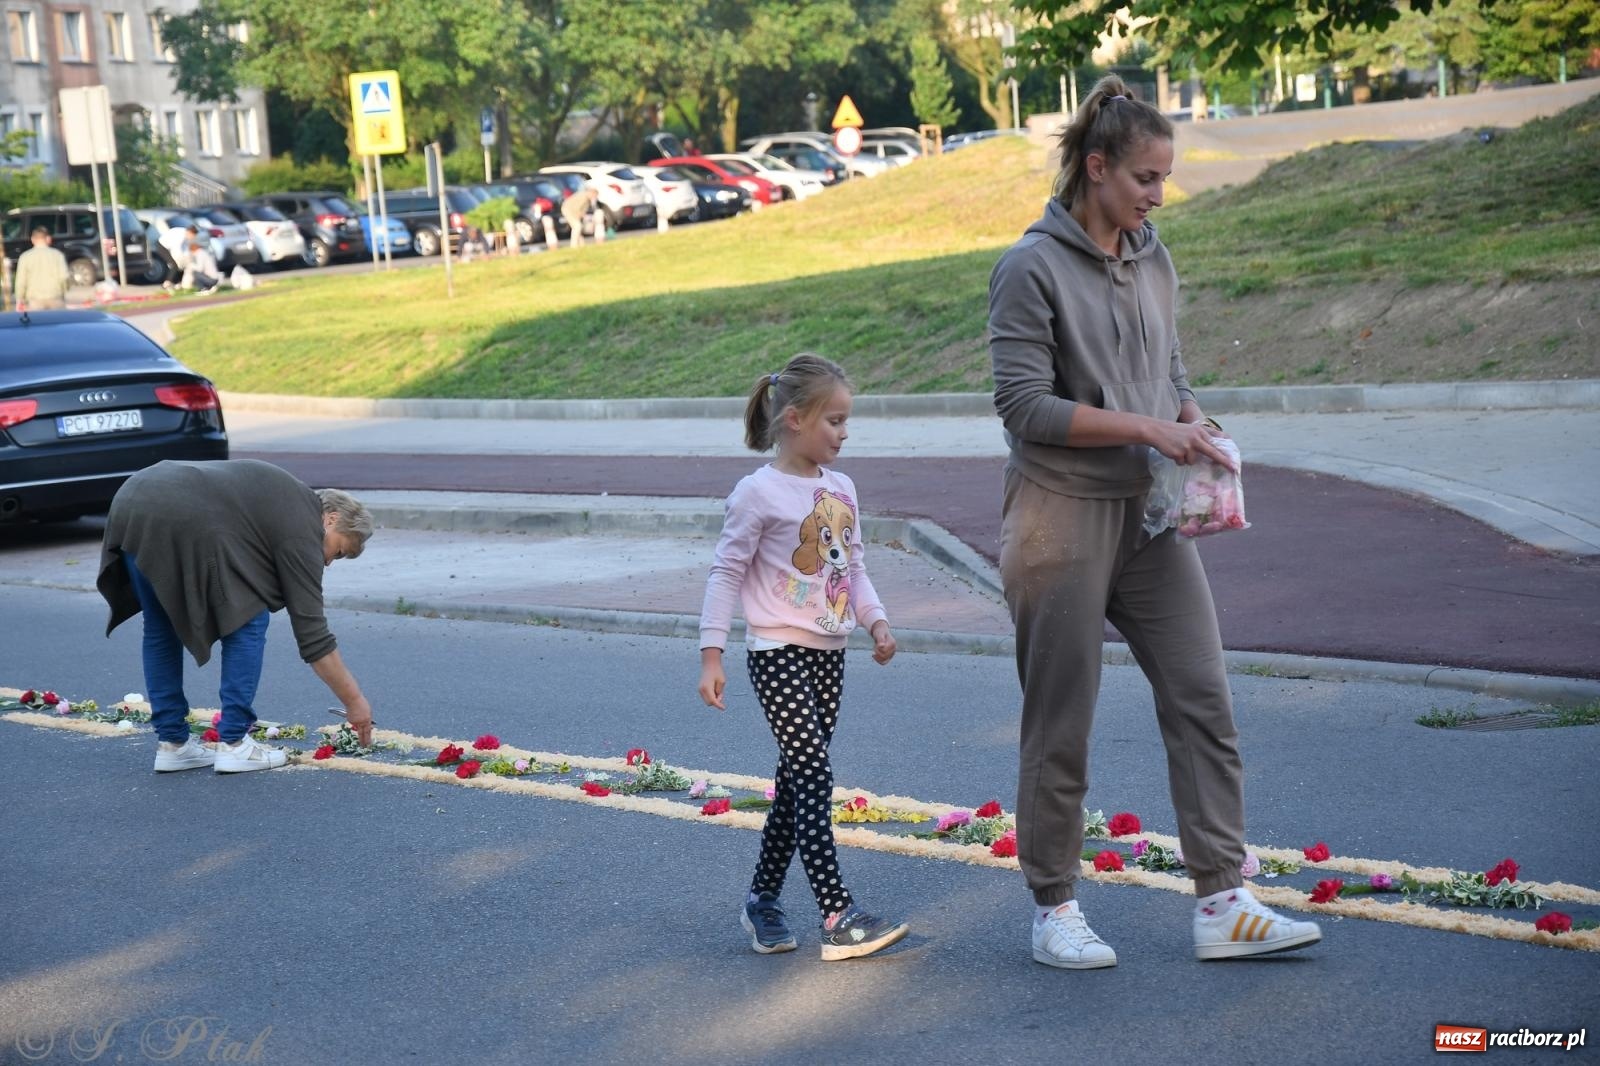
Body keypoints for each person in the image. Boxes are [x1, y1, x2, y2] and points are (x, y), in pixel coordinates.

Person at [987, 75, 1322, 969]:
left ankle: (1223, 900)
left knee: (1202, 695)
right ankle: (1053, 907)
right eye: (1145, 177)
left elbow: (1169, 372)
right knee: (1062, 720)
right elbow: (1022, 406)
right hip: (1058, 517)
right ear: (1096, 168)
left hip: (1148, 516)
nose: (1159, 195)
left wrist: (1194, 424)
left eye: (1165, 178)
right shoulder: (1029, 267)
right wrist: (1148, 429)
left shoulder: (1153, 257)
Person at [697, 353, 908, 962]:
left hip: (828, 653)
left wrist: (876, 620)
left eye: (846, 421)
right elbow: (725, 572)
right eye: (834, 421)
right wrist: (712, 655)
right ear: (794, 420)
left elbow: (853, 568)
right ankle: (838, 915)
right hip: (777, 651)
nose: (844, 433)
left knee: (796, 781)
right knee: (814, 773)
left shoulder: (841, 489)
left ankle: (762, 900)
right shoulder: (757, 493)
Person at [97, 459, 378, 774]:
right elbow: (312, 634)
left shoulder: (282, 501)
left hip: (133, 496)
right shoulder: (304, 525)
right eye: (338, 551)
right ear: (331, 519)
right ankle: (234, 743)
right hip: (173, 506)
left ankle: (173, 744)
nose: (328, 563)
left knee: (161, 626)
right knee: (250, 618)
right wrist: (355, 701)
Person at [12, 227, 71, 310]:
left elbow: (21, 281)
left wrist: (20, 299)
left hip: (34, 300)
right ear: (48, 238)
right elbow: (64, 277)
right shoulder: (58, 255)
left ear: (32, 239)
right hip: (55, 297)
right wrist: (64, 291)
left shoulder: (25, 257)